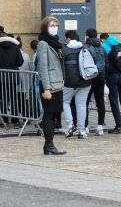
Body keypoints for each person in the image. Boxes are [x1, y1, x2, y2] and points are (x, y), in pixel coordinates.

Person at [36, 16, 66, 155]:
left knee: (54, 115)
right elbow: (43, 67)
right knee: (49, 115)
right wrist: (46, 88)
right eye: (51, 25)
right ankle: (49, 145)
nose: (54, 27)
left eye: (56, 25)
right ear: (45, 27)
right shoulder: (43, 43)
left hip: (58, 84)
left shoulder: (55, 43)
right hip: (50, 86)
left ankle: (48, 145)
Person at [0, 31, 24, 128]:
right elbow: (20, 62)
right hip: (12, 76)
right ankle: (16, 121)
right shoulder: (15, 47)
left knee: (3, 99)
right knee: (13, 99)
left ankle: (4, 121)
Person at [61, 30, 92, 139]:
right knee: (82, 105)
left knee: (65, 101)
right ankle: (82, 130)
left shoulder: (64, 50)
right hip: (85, 81)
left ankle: (70, 125)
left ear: (68, 38)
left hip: (70, 81)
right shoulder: (85, 48)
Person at [101, 32, 121, 134]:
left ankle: (118, 126)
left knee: (114, 101)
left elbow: (104, 63)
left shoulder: (104, 46)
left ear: (103, 39)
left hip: (112, 76)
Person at [84, 29, 108, 136]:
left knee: (85, 102)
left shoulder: (86, 48)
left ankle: (85, 126)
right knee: (100, 102)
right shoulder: (102, 47)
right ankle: (100, 127)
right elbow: (106, 63)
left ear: (87, 36)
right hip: (101, 77)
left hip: (89, 78)